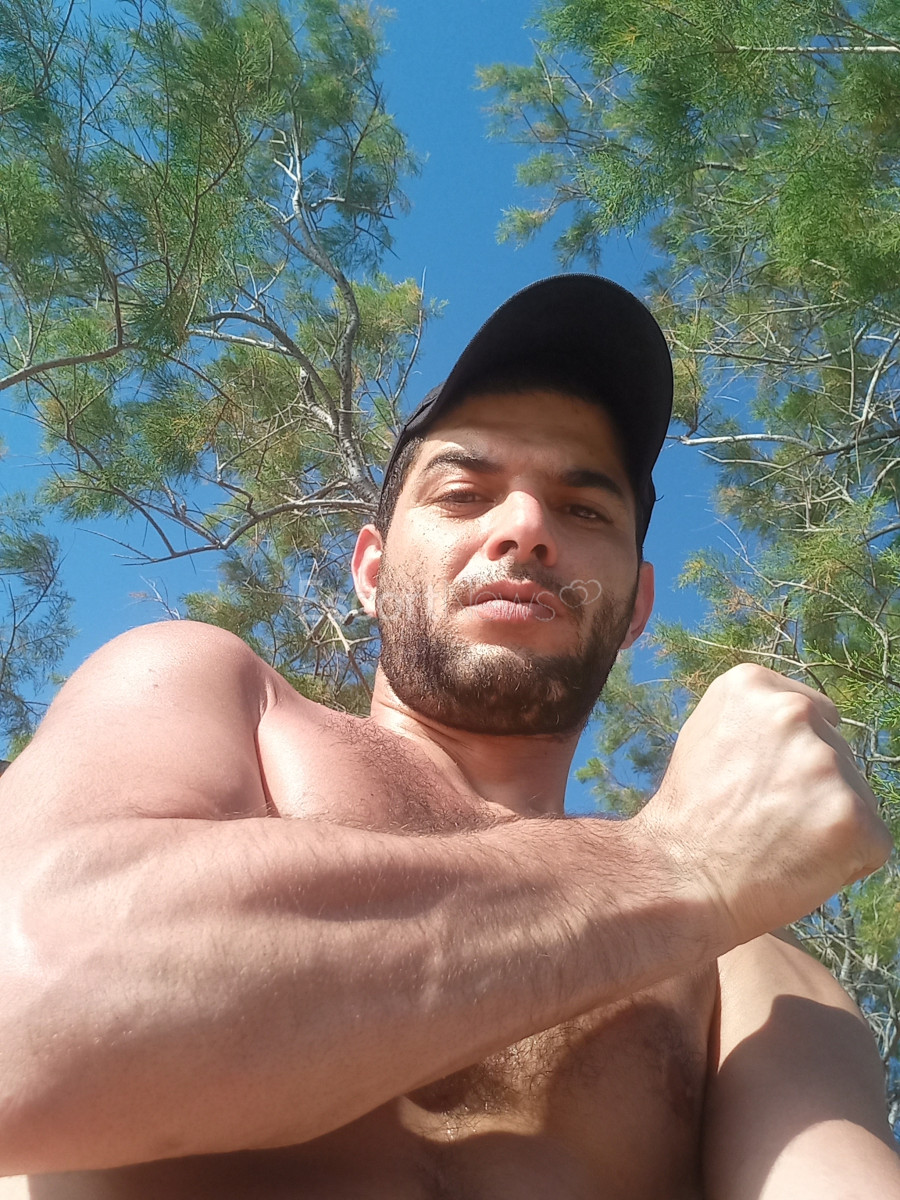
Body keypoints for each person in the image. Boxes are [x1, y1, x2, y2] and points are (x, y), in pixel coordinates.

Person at [0, 274, 896, 1199]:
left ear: (637, 607)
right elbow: (29, 1022)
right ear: (371, 570)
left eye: (585, 509)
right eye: (465, 493)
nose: (527, 529)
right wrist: (676, 866)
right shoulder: (213, 697)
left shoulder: (745, 973)